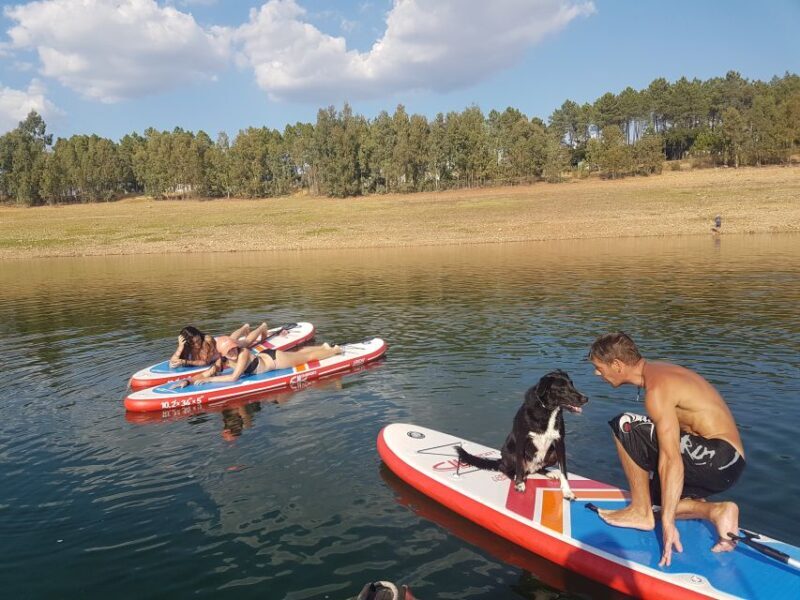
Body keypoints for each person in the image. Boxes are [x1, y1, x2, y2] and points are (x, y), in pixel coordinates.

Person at [588, 331, 745, 567]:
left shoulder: (658, 389)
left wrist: (669, 525)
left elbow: (671, 459)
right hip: (728, 465)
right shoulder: (659, 371)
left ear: (617, 365)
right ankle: (716, 511)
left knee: (625, 425)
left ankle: (640, 511)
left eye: (599, 368)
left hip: (718, 456)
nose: (596, 373)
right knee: (658, 505)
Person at [177, 336, 342, 386]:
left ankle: (334, 350)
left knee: (306, 358)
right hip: (265, 356)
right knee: (298, 353)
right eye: (229, 351)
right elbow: (207, 372)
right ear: (222, 354)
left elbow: (233, 377)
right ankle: (324, 347)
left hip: (276, 360)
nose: (233, 352)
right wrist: (189, 380)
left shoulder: (243, 353)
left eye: (233, 348)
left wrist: (210, 380)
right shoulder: (223, 360)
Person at [169, 323, 270, 368]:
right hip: (221, 343)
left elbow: (205, 362)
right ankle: (245, 327)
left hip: (221, 347)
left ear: (199, 335)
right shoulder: (186, 345)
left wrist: (185, 361)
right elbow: (172, 362)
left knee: (246, 342)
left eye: (198, 340)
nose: (197, 344)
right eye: (193, 343)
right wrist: (180, 347)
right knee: (231, 338)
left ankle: (262, 327)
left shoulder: (206, 340)